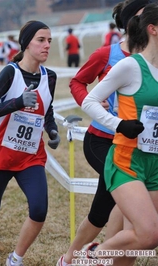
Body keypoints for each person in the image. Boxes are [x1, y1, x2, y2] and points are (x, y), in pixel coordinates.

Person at [56, 1, 152, 266]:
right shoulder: (107, 54)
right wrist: (90, 98)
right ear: (135, 20)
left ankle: (70, 258)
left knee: (100, 212)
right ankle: (100, 258)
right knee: (128, 198)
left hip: (138, 145)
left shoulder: (153, 58)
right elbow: (77, 81)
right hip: (102, 141)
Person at [0, 20, 60, 266]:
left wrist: (52, 130)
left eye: (49, 40)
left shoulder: (49, 77)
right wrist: (18, 102)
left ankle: (15, 258)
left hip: (30, 157)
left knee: (39, 211)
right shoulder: (11, 72)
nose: (47, 45)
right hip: (0, 158)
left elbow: (47, 110)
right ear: (26, 43)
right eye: (41, 40)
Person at [81, 3, 158, 265]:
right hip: (127, 159)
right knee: (149, 234)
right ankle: (91, 256)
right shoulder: (131, 66)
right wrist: (118, 124)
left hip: (154, 162)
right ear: (153, 29)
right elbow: (90, 100)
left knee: (136, 241)